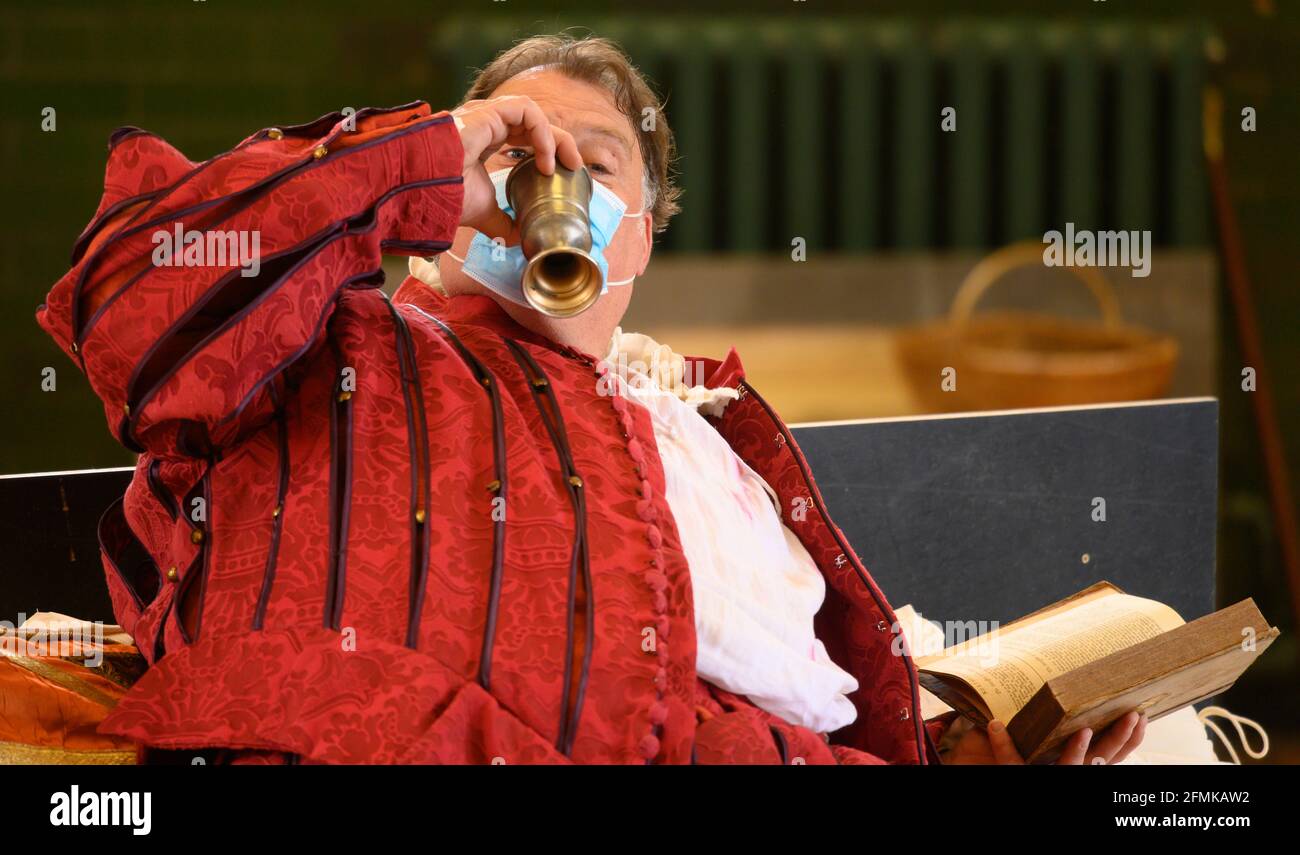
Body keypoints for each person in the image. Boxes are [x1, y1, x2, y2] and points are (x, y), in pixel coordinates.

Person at [38, 33, 1145, 764]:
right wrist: (433, 155)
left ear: (645, 231)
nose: (545, 186)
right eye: (520, 151)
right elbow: (134, 300)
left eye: (590, 165)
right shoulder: (324, 336)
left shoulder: (705, 448)